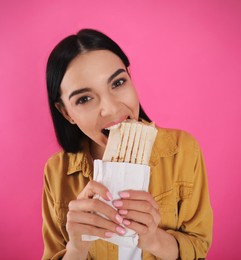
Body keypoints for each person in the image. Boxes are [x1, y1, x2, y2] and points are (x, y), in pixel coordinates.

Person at [42, 28, 213, 260]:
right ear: (66, 112)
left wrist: (154, 239)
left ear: (130, 79)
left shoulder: (183, 151)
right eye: (84, 99)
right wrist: (76, 249)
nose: (112, 109)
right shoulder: (56, 172)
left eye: (118, 82)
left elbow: (198, 246)